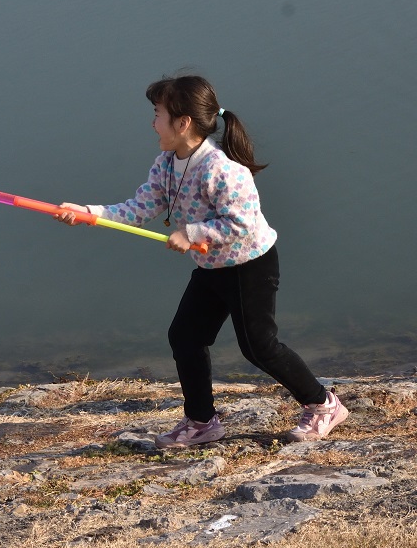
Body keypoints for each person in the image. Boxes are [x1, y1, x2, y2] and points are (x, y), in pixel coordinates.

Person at [55, 75, 348, 448]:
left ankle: (324, 405)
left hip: (248, 266)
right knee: (185, 336)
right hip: (212, 267)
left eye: (157, 113)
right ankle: (202, 421)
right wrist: (88, 213)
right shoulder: (166, 163)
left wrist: (192, 233)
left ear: (183, 122)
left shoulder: (222, 169)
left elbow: (240, 224)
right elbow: (140, 207)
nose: (152, 122)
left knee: (259, 346)